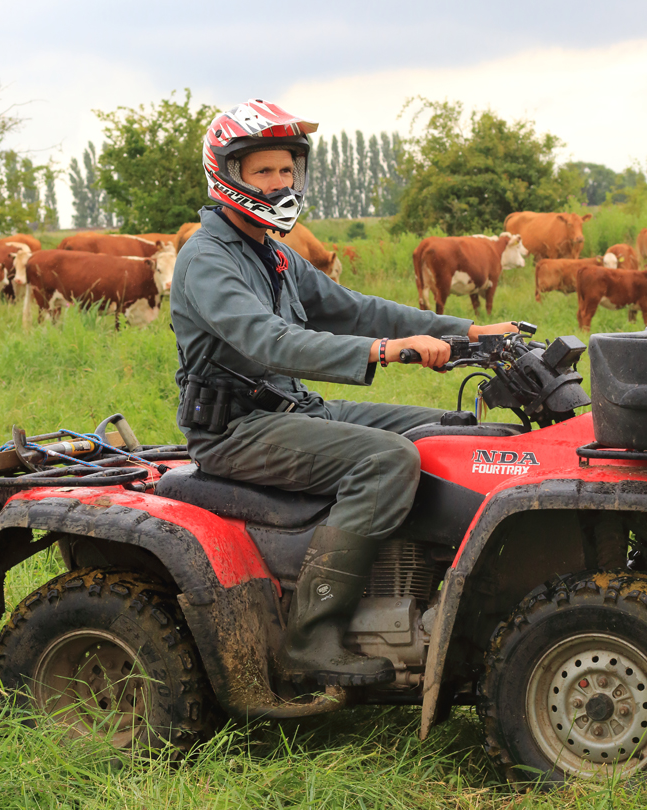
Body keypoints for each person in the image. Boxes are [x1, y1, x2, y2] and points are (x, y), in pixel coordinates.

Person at [170, 99, 517, 687]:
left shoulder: (274, 253)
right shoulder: (206, 259)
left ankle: (433, 596)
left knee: (446, 431)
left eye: (288, 170)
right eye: (264, 171)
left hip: (293, 408)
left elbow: (355, 308)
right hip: (237, 429)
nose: (281, 182)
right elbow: (269, 341)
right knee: (386, 461)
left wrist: (465, 331)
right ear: (227, 174)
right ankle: (312, 637)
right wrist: (384, 350)